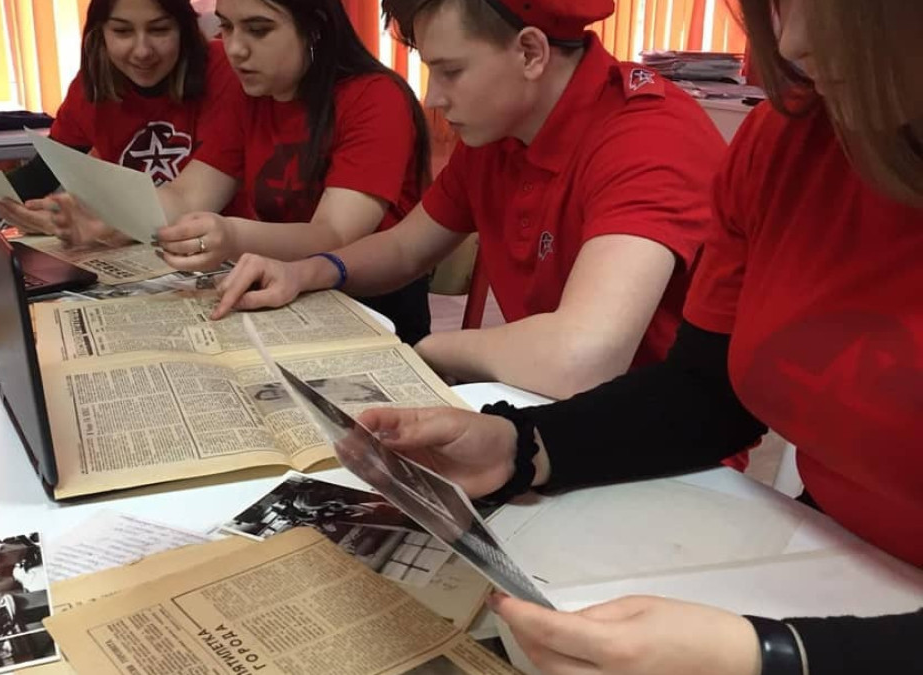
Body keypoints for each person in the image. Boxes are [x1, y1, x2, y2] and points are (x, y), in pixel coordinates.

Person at [358, 0, 923, 671]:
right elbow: (707, 392)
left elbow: (585, 350)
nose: (791, 42)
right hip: (840, 556)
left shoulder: (652, 132)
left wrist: (773, 655)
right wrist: (520, 445)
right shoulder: (789, 138)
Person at [209, 0, 726, 400]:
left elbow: (583, 355)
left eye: (450, 71)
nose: (433, 97)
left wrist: (430, 351)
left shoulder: (647, 139)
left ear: (530, 53)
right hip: (543, 404)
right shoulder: (501, 131)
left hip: (659, 448)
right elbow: (405, 248)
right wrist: (307, 272)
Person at [54, 0, 434, 344]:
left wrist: (234, 236)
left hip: (372, 309)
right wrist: (107, 212)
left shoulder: (375, 98)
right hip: (284, 298)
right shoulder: (249, 96)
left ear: (315, 28)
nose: (234, 48)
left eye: (258, 29)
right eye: (227, 27)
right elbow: (187, 196)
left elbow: (334, 235)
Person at [0, 0, 241, 232]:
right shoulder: (92, 85)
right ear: (100, 34)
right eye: (122, 31)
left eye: (159, 30)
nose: (142, 51)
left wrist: (96, 221)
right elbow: (40, 176)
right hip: (139, 244)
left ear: (184, 31)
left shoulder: (227, 69)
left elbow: (189, 201)